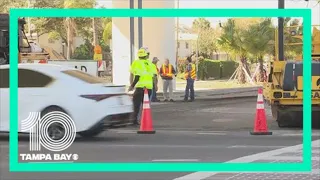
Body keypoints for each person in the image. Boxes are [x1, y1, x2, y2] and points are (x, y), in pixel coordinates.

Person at [128, 48, 155, 125]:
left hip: (140, 87)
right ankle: (146, 120)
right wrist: (155, 85)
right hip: (148, 87)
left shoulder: (136, 63)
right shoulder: (150, 64)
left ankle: (134, 120)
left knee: (136, 104)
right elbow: (153, 76)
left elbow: (136, 76)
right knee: (145, 105)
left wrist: (132, 85)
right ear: (146, 55)